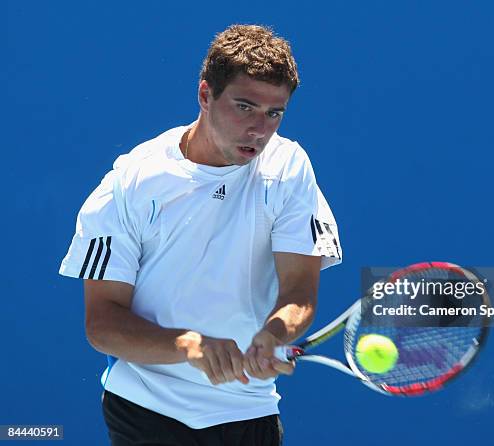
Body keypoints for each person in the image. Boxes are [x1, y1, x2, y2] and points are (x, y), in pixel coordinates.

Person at [59, 24, 341, 446]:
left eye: (274, 113)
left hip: (250, 412)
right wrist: (188, 345)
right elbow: (102, 324)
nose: (259, 129)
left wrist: (274, 333)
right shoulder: (132, 182)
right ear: (205, 95)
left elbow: (299, 290)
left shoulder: (289, 168)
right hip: (145, 410)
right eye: (244, 107)